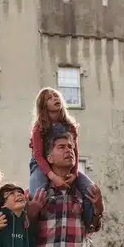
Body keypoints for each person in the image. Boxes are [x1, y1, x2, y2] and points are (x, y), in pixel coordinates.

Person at [28, 87, 94, 223]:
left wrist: (74, 174)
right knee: (36, 195)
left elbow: (75, 152)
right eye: (50, 98)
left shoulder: (70, 126)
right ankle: (35, 229)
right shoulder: (39, 127)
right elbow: (39, 155)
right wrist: (52, 176)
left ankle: (88, 224)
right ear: (43, 105)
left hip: (66, 165)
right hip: (41, 165)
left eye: (56, 96)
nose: (55, 99)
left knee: (90, 190)